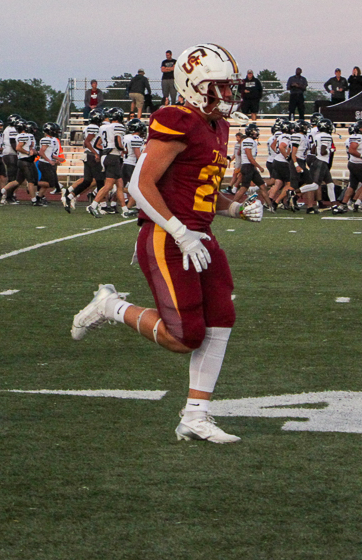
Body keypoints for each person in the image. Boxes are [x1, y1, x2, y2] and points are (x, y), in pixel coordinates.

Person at [70, 43, 263, 444]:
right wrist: (179, 231)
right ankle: (110, 306)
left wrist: (234, 211)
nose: (227, 95)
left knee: (221, 317)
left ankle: (196, 414)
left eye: (229, 87)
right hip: (166, 235)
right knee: (185, 336)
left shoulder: (218, 125)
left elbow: (204, 190)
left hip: (199, 234)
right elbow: (142, 185)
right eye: (219, 87)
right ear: (194, 86)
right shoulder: (177, 118)